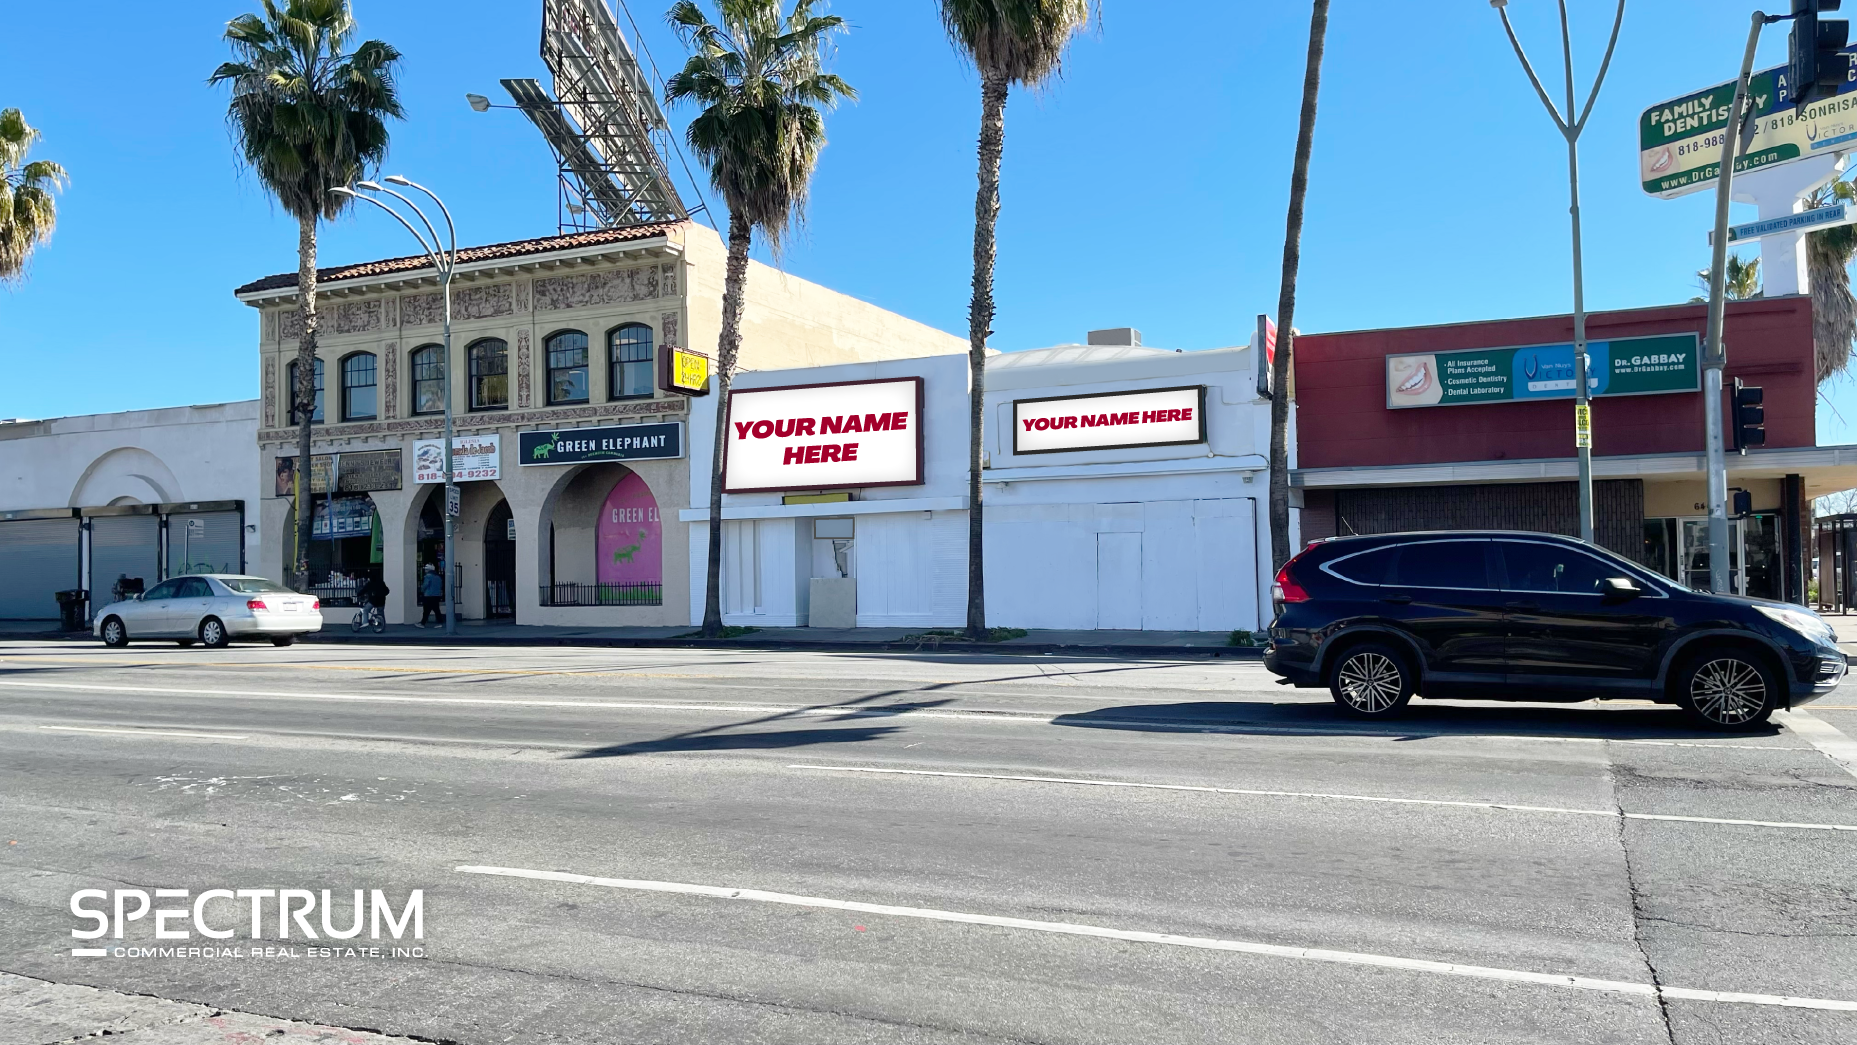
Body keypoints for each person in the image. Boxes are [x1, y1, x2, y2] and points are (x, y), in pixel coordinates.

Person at [418, 563, 444, 627]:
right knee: (436, 610)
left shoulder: (428, 576)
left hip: (428, 595)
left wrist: (421, 590)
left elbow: (425, 585)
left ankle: (422, 623)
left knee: (426, 610)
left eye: (426, 569)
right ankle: (440, 623)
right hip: (436, 595)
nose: (425, 571)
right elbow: (440, 586)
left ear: (428, 570)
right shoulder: (438, 577)